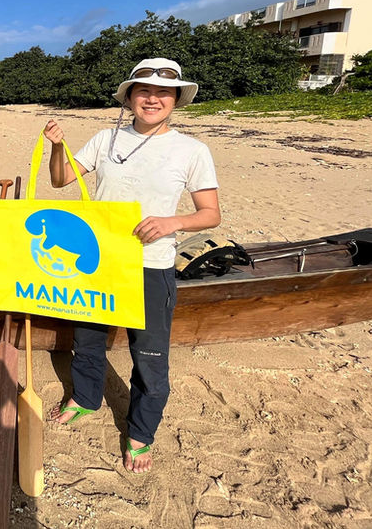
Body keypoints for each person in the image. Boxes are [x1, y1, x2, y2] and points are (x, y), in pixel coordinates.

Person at [43, 58, 220, 473]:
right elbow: (60, 179)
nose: (152, 98)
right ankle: (85, 399)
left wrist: (171, 222)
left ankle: (140, 431)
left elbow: (210, 213)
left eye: (163, 92)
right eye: (143, 90)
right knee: (87, 341)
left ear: (176, 99)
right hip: (98, 262)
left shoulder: (192, 150)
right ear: (129, 97)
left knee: (150, 355)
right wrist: (56, 146)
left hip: (151, 264)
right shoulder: (105, 140)